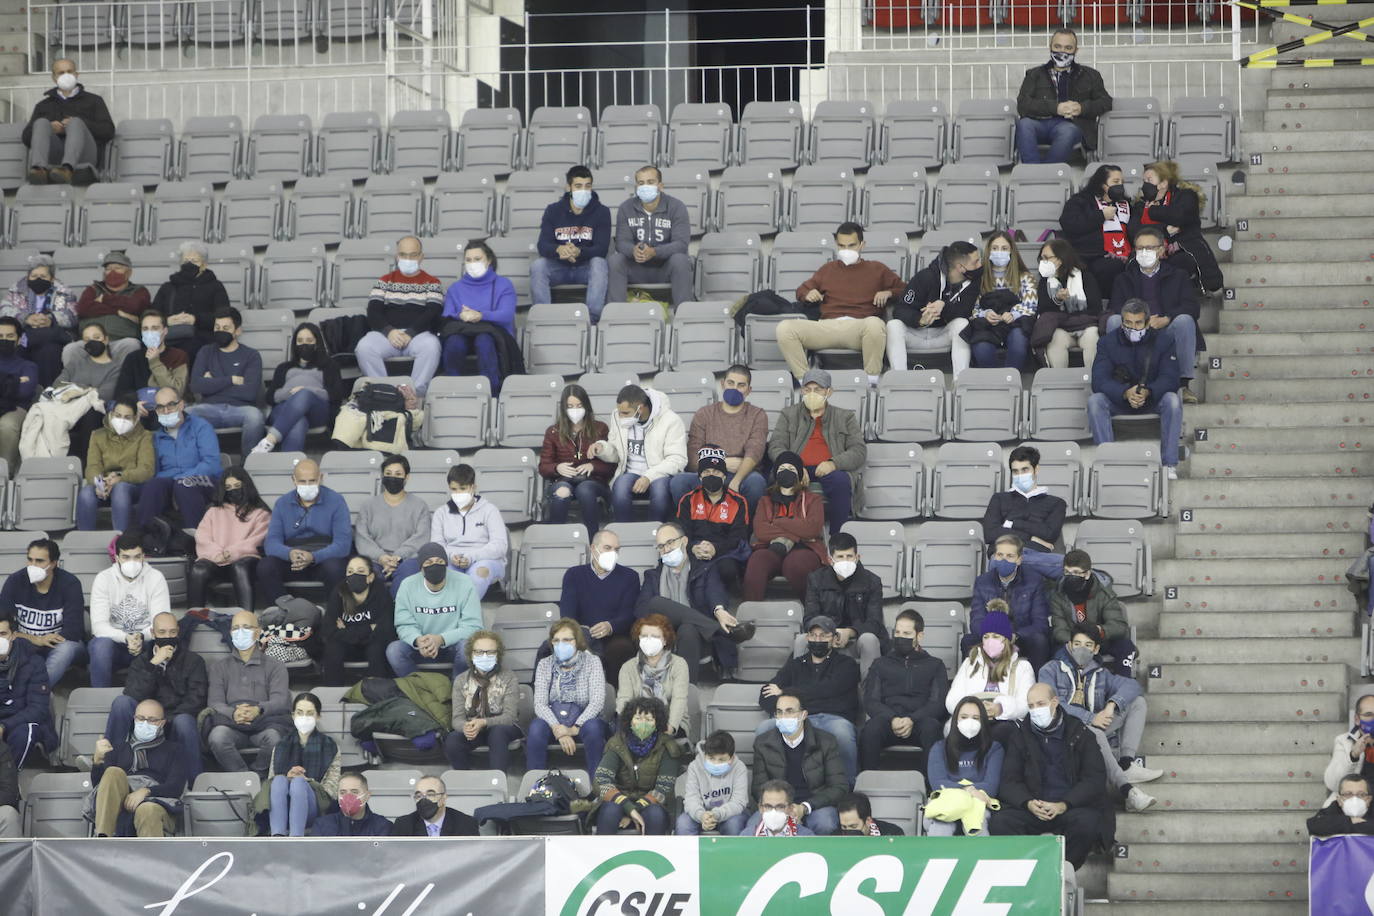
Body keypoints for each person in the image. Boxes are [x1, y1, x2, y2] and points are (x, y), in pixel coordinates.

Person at [1039, 623, 1160, 812]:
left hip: (1094, 727)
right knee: (1095, 732)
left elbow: (1133, 686)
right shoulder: (1050, 669)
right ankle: (1127, 790)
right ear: (1069, 645)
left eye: (1088, 645)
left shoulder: (1101, 673)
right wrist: (1089, 718)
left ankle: (1127, 762)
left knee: (1137, 702)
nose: (1081, 649)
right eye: (1077, 643)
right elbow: (1051, 703)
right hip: (1063, 731)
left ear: (1096, 649)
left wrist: (1112, 705)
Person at [989, 683, 1109, 870]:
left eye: (1040, 703)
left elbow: (1094, 779)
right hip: (1032, 808)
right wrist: (1027, 802)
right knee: (1001, 822)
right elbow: (1009, 780)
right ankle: (1024, 870)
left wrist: (1063, 805)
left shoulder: (1080, 733)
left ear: (1054, 702)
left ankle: (1063, 871)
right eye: (1031, 706)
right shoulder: (1020, 735)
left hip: (1068, 807)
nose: (1036, 710)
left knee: (1088, 823)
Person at [775, 222, 905, 386]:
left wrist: (889, 292)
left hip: (859, 328)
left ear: (862, 245)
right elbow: (801, 290)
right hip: (827, 326)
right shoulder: (828, 269)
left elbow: (906, 291)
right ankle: (806, 381)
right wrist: (809, 294)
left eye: (851, 245)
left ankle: (871, 381)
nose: (846, 250)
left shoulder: (877, 269)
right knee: (785, 328)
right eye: (842, 246)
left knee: (875, 324)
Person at [637, 521, 755, 682]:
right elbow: (641, 609)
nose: (666, 549)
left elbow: (715, 591)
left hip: (698, 634)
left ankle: (687, 689)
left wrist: (719, 610)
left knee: (688, 628)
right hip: (659, 633)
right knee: (656, 602)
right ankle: (722, 632)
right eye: (661, 546)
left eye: (670, 543)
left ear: (684, 541)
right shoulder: (653, 575)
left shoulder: (704, 568)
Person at [105, 611, 207, 784]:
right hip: (144, 722)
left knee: (185, 721)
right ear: (153, 633)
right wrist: (154, 664)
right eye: (162, 632)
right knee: (122, 703)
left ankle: (195, 784)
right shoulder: (142, 662)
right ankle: (109, 763)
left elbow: (197, 699)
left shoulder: (194, 661)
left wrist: (164, 720)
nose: (168, 637)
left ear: (178, 632)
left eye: (172, 632)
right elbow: (133, 694)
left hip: (174, 721)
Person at [758, 616, 861, 786]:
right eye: (813, 635)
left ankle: (848, 785)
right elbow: (766, 694)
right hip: (797, 717)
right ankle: (770, 788)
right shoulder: (795, 665)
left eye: (823, 635)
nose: (817, 640)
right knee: (764, 728)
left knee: (842, 732)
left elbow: (831, 688)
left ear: (834, 639)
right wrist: (786, 710)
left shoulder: (846, 664)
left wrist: (786, 693)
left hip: (833, 718)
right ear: (807, 638)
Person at [1107, 225, 1202, 404]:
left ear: (1161, 250)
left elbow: (1192, 307)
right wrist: (1139, 322)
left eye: (1149, 248)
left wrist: (1167, 318)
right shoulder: (1124, 278)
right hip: (1135, 328)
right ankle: (1123, 384)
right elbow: (1116, 307)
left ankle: (1183, 385)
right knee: (1113, 321)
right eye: (1140, 248)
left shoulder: (1178, 275)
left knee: (1184, 321)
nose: (1144, 252)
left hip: (1165, 329)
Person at [1089, 297, 1182, 479]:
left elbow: (1170, 378)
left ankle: (1169, 464)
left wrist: (1148, 391)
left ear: (1148, 322)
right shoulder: (1107, 342)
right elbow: (1099, 380)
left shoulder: (1164, 340)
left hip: (1152, 398)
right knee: (1095, 401)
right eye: (1128, 323)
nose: (1133, 327)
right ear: (1122, 322)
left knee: (1172, 400)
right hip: (1120, 399)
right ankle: (1107, 463)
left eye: (1138, 323)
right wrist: (1124, 392)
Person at [768, 368, 865, 536]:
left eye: (817, 389)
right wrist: (793, 467)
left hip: (828, 468)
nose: (811, 393)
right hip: (797, 467)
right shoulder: (788, 414)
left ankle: (837, 538)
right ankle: (782, 534)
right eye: (807, 389)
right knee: (783, 477)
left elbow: (859, 450)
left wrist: (834, 463)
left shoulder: (845, 416)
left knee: (840, 481)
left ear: (829, 392)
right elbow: (776, 446)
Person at [393, 462, 508, 599]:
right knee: (438, 575)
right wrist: (451, 556)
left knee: (479, 574)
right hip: (451, 560)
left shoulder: (489, 510)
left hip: (485, 560)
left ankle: (464, 615)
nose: (458, 493)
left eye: (463, 489)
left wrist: (472, 557)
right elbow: (437, 545)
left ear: (473, 487)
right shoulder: (441, 513)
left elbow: (500, 545)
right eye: (454, 489)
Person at [670, 365, 770, 511]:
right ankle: (693, 529)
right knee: (678, 482)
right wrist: (722, 464)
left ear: (749, 390)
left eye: (741, 385)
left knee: (756, 482)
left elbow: (755, 451)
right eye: (731, 383)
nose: (734, 388)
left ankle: (745, 532)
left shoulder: (757, 415)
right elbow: (692, 458)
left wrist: (736, 481)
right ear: (722, 384)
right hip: (707, 471)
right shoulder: (704, 414)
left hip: (741, 475)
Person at [860, 608, 947, 774]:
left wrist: (912, 719)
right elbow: (871, 701)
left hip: (920, 721)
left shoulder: (935, 665)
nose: (900, 638)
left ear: (919, 636)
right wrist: (892, 718)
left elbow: (937, 703)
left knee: (933, 729)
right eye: (897, 632)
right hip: (888, 720)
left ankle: (930, 789)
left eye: (907, 634)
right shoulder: (881, 664)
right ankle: (867, 782)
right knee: (871, 729)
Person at [204, 609, 290, 776]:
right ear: (230, 633)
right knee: (217, 737)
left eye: (246, 627)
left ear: (257, 632)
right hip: (231, 724)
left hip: (266, 723)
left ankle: (258, 775)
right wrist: (233, 713)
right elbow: (214, 702)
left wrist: (258, 709)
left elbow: (280, 700)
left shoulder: (276, 666)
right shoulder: (219, 667)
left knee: (275, 739)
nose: (240, 632)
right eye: (235, 628)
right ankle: (243, 777)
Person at [355, 236, 444, 396]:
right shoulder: (384, 281)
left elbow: (433, 312)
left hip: (417, 336)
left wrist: (410, 333)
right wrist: (389, 331)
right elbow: (373, 311)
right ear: (397, 256)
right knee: (364, 347)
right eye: (403, 254)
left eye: (413, 254)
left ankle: (415, 395)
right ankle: (383, 394)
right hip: (388, 336)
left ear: (421, 257)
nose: (408, 259)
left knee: (431, 347)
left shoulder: (432, 282)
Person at [748, 693, 847, 836]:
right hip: (776, 805)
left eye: (789, 711)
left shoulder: (826, 742)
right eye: (779, 712)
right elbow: (758, 787)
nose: (783, 716)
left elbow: (839, 787)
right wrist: (782, 808)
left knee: (825, 823)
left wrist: (805, 807)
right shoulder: (763, 743)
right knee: (752, 826)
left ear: (803, 714)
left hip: (815, 805)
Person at [257, 459, 352, 608]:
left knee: (336, 567)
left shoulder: (336, 501)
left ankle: (335, 615)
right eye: (302, 481)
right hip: (292, 560)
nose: (307, 485)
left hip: (323, 559)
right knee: (266, 566)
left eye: (312, 481)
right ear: (293, 480)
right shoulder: (282, 503)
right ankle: (283, 611)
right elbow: (271, 543)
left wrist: (313, 557)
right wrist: (290, 554)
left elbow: (343, 545)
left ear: (321, 478)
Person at [590, 384, 687, 523]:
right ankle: (625, 535)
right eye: (619, 412)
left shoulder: (671, 420)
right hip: (630, 472)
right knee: (620, 488)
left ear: (640, 408)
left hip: (659, 473)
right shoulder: (617, 415)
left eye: (625, 413)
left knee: (660, 492)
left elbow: (677, 459)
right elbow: (616, 452)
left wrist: (648, 477)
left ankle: (656, 534)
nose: (620, 417)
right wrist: (602, 448)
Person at [90, 699, 186, 837]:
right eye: (141, 718)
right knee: (113, 772)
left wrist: (146, 791)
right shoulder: (117, 748)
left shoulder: (174, 750)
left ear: (162, 723)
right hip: (121, 801)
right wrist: (98, 761)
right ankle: (103, 839)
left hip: (157, 803)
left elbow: (176, 787)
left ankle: (150, 858)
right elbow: (101, 788)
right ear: (134, 719)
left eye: (152, 720)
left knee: (147, 810)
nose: (145, 723)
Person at [1014, 28, 1111, 164]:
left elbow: (1106, 102)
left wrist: (1081, 108)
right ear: (1050, 47)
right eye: (1057, 46)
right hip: (1038, 123)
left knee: (1067, 131)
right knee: (1024, 125)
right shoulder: (1034, 74)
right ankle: (1032, 171)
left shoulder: (1090, 75)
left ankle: (1047, 174)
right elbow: (1023, 104)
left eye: (1068, 48)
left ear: (1076, 50)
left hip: (1071, 125)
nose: (1062, 51)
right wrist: (1056, 108)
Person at [527, 617, 612, 771]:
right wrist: (558, 730)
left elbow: (597, 702)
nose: (561, 644)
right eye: (556, 640)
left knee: (594, 729)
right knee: (536, 728)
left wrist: (574, 729)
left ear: (577, 641)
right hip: (554, 720)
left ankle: (598, 786)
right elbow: (540, 704)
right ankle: (535, 785)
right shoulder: (544, 664)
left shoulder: (592, 662)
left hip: (585, 720)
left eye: (567, 640)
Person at [388, 542, 482, 678]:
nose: (435, 565)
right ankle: (420, 688)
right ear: (421, 568)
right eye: (429, 562)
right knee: (394, 651)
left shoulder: (465, 582)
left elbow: (473, 626)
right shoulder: (407, 585)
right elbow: (404, 624)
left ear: (446, 565)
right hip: (421, 647)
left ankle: (456, 689)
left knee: (468, 647)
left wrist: (441, 639)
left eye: (440, 561)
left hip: (453, 645)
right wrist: (418, 640)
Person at [88, 532, 170, 688]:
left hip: (147, 642)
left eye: (137, 557)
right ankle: (99, 696)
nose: (132, 562)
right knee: (100, 646)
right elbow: (99, 627)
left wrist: (139, 636)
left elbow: (161, 622)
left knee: (165, 640)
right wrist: (126, 638)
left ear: (143, 556)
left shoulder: (156, 577)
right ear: (117, 558)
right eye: (126, 557)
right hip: (115, 643)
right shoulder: (103, 579)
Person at [889, 240, 982, 376]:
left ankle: (960, 380)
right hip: (916, 334)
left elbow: (964, 312)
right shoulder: (926, 277)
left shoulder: (974, 281)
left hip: (943, 334)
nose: (980, 265)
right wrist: (920, 319)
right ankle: (899, 379)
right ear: (960, 267)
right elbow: (900, 310)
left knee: (963, 324)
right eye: (976, 262)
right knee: (893, 325)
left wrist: (944, 306)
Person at [553, 529, 639, 676]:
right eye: (607, 548)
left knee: (621, 649)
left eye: (616, 550)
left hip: (615, 635)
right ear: (593, 548)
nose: (613, 553)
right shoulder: (574, 574)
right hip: (582, 633)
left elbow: (629, 613)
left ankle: (616, 695)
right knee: (549, 647)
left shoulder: (630, 577)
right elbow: (567, 613)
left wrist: (610, 626)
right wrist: (581, 632)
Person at [439, 240, 520, 395]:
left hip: (493, 335)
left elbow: (506, 314)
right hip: (463, 332)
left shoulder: (503, 284)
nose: (472, 263)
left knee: (484, 340)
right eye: (468, 260)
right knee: (453, 342)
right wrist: (462, 315)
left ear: (488, 260)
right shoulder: (456, 288)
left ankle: (492, 393)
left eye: (477, 259)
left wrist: (480, 315)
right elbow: (447, 315)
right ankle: (452, 392)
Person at [1131, 159, 1224, 294]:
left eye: (1149, 180)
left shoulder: (1185, 196)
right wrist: (1164, 231)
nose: (1144, 185)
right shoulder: (1140, 204)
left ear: (1163, 183)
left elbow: (1179, 216)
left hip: (1185, 249)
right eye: (1143, 180)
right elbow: (1134, 231)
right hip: (1151, 252)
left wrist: (1152, 211)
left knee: (1179, 263)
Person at [532, 165, 611, 322]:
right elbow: (542, 245)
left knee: (599, 263)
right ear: (568, 187)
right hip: (559, 267)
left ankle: (592, 319)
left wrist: (578, 252)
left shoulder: (601, 211)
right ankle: (542, 318)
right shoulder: (553, 210)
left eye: (587, 186)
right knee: (538, 266)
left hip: (585, 268)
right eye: (578, 186)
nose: (584, 190)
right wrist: (559, 249)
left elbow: (601, 249)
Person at [3, 538, 86, 687]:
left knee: (66, 649)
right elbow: (3, 624)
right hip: (24, 642)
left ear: (53, 563)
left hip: (58, 645)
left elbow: (74, 631)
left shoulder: (70, 584)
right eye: (30, 560)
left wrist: (45, 641)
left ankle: (37, 690)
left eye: (39, 561)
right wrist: (35, 639)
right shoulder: (15, 581)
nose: (32, 566)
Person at [593, 696, 681, 835]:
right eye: (638, 718)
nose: (643, 723)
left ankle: (653, 855)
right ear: (630, 721)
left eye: (649, 719)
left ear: (657, 723)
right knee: (610, 811)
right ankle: (603, 855)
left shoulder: (667, 746)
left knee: (655, 814)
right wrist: (629, 809)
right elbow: (601, 780)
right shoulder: (617, 743)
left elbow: (663, 789)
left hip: (652, 803)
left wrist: (633, 811)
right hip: (619, 799)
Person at [802, 533, 887, 676]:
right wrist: (828, 634)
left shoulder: (872, 582)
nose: (845, 561)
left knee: (869, 639)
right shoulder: (816, 580)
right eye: (840, 557)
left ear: (857, 557)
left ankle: (868, 691)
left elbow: (875, 623)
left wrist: (850, 631)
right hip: (825, 637)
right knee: (800, 640)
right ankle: (801, 690)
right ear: (830, 560)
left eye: (849, 556)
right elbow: (810, 618)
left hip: (858, 638)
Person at [744, 453, 827, 602]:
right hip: (772, 547)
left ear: (799, 474)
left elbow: (812, 529)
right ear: (776, 474)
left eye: (791, 468)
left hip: (805, 548)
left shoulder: (813, 500)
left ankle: (812, 608)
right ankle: (750, 613)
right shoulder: (765, 500)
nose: (786, 471)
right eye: (782, 468)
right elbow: (761, 531)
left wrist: (778, 522)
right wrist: (797, 532)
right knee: (757, 560)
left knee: (795, 564)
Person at [609, 165, 694, 307]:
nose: (645, 186)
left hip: (664, 268)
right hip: (636, 267)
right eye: (641, 183)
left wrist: (654, 252)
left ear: (660, 186)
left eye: (650, 182)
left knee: (681, 259)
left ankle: (684, 314)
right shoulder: (626, 207)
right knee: (616, 260)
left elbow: (681, 244)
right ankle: (615, 314)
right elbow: (621, 242)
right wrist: (633, 250)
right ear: (636, 186)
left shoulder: (677, 207)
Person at [135, 386, 220, 528]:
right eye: (160, 407)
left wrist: (181, 479)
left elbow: (211, 464)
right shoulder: (156, 437)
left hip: (204, 480)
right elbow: (154, 471)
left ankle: (195, 540)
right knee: (153, 486)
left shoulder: (200, 427)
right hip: (172, 482)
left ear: (181, 405)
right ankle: (146, 538)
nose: (166, 411)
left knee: (184, 485)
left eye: (171, 405)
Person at [947, 608, 1035, 744]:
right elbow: (952, 699)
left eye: (995, 636)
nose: (990, 641)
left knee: (1002, 732)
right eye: (986, 636)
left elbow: (1025, 704)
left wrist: (1000, 709)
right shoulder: (970, 662)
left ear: (1006, 639)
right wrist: (973, 712)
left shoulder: (1022, 667)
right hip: (971, 719)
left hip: (1004, 722)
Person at [186, 307, 266, 457]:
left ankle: (248, 464)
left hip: (241, 410)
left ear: (238, 331)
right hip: (209, 408)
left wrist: (212, 383)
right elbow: (196, 385)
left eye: (226, 328)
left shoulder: (251, 355)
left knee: (255, 416)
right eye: (217, 328)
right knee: (186, 413)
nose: (220, 331)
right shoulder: (205, 351)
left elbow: (249, 393)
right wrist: (231, 380)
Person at [189, 466, 271, 612]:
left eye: (237, 486)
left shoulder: (261, 513)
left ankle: (247, 619)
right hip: (216, 560)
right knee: (198, 569)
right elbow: (202, 537)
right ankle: (193, 619)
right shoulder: (213, 512)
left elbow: (257, 540)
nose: (233, 490)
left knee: (239, 567)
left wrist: (230, 553)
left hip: (246, 561)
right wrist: (217, 554)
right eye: (228, 487)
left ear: (246, 486)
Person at [252, 322, 344, 454]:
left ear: (317, 342)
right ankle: (289, 466)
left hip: (317, 411)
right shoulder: (283, 368)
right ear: (294, 344)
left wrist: (307, 391)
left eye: (309, 340)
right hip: (284, 410)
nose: (304, 344)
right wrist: (291, 394)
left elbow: (336, 395)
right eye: (299, 341)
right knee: (298, 421)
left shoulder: (330, 366)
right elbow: (270, 397)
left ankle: (270, 440)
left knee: (305, 394)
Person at [23, 57, 114, 186]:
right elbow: (26, 137)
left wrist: (81, 125)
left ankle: (67, 169)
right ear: (54, 77)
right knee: (41, 123)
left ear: (76, 75)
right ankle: (39, 170)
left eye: (69, 71)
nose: (66, 75)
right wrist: (50, 129)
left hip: (85, 154)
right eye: (61, 72)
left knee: (75, 122)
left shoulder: (94, 100)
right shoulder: (43, 105)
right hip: (54, 154)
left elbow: (108, 131)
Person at [982, 446, 1067, 581]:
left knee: (1070, 565)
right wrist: (1031, 537)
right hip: (1004, 555)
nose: (1020, 475)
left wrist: (1012, 524)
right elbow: (990, 534)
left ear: (1036, 469)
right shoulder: (999, 499)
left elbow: (1049, 534)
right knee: (1068, 566)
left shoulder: (1056, 503)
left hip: (1037, 556)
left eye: (1025, 470)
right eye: (1015, 471)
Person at [539, 382, 615, 533]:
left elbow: (612, 465)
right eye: (570, 406)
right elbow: (543, 467)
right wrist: (557, 468)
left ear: (586, 406)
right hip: (563, 480)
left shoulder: (600, 428)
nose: (575, 410)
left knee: (585, 489)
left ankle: (592, 539)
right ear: (564, 408)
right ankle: (555, 539)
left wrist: (593, 466)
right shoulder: (553, 432)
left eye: (579, 405)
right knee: (562, 491)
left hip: (593, 481)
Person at [675, 444, 752, 593]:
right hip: (696, 549)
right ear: (699, 476)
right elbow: (682, 533)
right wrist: (693, 548)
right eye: (707, 472)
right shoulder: (688, 500)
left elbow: (738, 537)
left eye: (716, 472)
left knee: (727, 569)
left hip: (724, 551)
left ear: (724, 476)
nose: (711, 475)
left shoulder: (738, 502)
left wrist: (715, 549)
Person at [262, 692, 340, 837]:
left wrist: (307, 782)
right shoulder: (280, 746)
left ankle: (296, 838)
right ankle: (277, 835)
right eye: (300, 712)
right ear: (293, 715)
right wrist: (287, 777)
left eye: (310, 713)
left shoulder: (330, 746)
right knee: (279, 780)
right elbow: (271, 782)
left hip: (316, 805)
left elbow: (331, 790)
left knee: (298, 783)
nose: (304, 717)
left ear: (318, 716)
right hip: (283, 804)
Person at [1049, 550, 1137, 677]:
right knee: (1057, 652)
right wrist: (1080, 642)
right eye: (1067, 572)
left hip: (1100, 641)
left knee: (1125, 645)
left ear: (1087, 574)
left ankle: (1122, 685)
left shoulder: (1103, 593)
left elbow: (1118, 626)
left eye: (1076, 573)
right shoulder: (1058, 595)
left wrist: (1098, 632)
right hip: (1072, 643)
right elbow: (1059, 631)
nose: (1070, 576)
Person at [968, 536, 1051, 671]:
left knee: (1040, 641)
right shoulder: (983, 581)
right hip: (992, 636)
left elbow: (1040, 623)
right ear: (994, 556)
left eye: (1010, 556)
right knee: (968, 641)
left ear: (1019, 559)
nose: (1004, 560)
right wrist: (993, 636)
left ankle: (1035, 687)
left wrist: (1014, 635)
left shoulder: (1034, 581)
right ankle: (974, 685)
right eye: (1000, 555)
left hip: (1020, 636)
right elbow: (976, 620)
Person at [925, 697, 1005, 836]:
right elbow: (938, 783)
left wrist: (964, 790)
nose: (970, 722)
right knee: (941, 825)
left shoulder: (994, 748)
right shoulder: (939, 748)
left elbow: (991, 786)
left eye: (976, 718)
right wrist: (969, 789)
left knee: (978, 823)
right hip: (946, 802)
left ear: (983, 722)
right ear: (956, 720)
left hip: (979, 802)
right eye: (964, 717)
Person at [444, 629, 522, 771]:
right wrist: (465, 727)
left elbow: (510, 717)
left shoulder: (509, 677)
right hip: (475, 728)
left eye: (490, 652)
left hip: (504, 728)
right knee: (453, 740)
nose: (485, 656)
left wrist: (484, 722)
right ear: (471, 654)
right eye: (479, 652)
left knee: (497, 734)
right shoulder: (461, 680)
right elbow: (457, 719)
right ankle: (466, 780)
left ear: (498, 655)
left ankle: (497, 780)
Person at [76, 394, 153, 531]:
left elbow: (146, 470)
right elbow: (93, 466)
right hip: (104, 483)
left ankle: (122, 541)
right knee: (87, 492)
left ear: (135, 419)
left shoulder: (144, 436)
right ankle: (84, 539)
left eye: (127, 417)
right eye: (118, 415)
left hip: (132, 486)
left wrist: (120, 477)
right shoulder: (97, 435)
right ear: (111, 415)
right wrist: (100, 483)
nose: (121, 420)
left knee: (121, 489)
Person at [355, 454, 430, 593]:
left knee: (407, 577)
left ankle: (396, 610)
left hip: (408, 559)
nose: (393, 477)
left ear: (407, 477)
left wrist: (397, 557)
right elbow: (362, 538)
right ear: (382, 476)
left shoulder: (420, 506)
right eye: (388, 473)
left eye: (398, 474)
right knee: (367, 576)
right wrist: (381, 557)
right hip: (375, 560)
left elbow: (421, 537)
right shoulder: (368, 506)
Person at [963, 232, 1037, 372]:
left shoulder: (1025, 277)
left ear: (1011, 251)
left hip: (1015, 323)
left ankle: (1011, 382)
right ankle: (994, 385)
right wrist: (985, 314)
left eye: (1004, 248)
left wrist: (1013, 314)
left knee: (1019, 345)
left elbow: (1031, 305)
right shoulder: (978, 278)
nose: (999, 252)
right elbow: (971, 307)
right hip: (987, 324)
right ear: (989, 251)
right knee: (981, 351)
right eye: (995, 248)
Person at [3, 254, 78, 386]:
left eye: (43, 277)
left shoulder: (64, 291)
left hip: (54, 333)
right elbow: (4, 309)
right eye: (34, 276)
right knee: (45, 348)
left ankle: (46, 393)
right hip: (26, 330)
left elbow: (73, 316)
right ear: (28, 277)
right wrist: (26, 318)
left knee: (49, 346)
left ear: (52, 278)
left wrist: (51, 319)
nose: (38, 279)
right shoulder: (16, 290)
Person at [55, 322, 125, 463]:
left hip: (94, 412)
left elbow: (104, 394)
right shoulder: (75, 363)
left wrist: (74, 389)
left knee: (91, 414)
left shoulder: (116, 368)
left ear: (105, 339)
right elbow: (57, 385)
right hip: (66, 409)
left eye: (96, 337)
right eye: (87, 339)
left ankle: (88, 466)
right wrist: (89, 388)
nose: (92, 341)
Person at [321, 555, 396, 686]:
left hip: (372, 645)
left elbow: (386, 630)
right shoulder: (339, 592)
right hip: (348, 645)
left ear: (370, 577)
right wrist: (369, 629)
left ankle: (376, 693)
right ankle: (332, 692)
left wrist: (347, 631)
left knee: (377, 648)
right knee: (333, 648)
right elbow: (329, 630)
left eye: (360, 571)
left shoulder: (380, 592)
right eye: (350, 572)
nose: (354, 575)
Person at [152, 241, 230, 363]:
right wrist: (166, 321)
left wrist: (195, 320)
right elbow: (151, 314)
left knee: (191, 349)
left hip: (203, 338)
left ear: (204, 265)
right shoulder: (168, 287)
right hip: (171, 337)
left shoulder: (216, 286)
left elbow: (224, 316)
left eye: (194, 261)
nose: (189, 264)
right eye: (186, 261)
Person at [1060, 164, 1132, 294]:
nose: (1120, 185)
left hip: (1121, 255)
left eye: (1122, 182)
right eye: (1116, 182)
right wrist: (1101, 216)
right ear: (1103, 184)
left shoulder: (1126, 204)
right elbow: (1070, 224)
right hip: (1088, 255)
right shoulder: (1081, 201)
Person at [0, 607, 59, 767]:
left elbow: (37, 710)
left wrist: (4, 726)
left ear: (13, 635)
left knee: (25, 732)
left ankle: (9, 780)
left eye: (2, 634)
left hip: (21, 723)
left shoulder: (34, 662)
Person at [1031, 238, 1102, 369]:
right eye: (1041, 258)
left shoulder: (1085, 277)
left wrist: (1072, 318)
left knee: (1093, 336)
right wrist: (1057, 299)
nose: (1043, 262)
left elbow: (1096, 308)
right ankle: (1058, 383)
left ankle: (1093, 381)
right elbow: (1044, 312)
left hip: (1086, 326)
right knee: (1055, 338)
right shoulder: (1044, 282)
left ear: (1061, 258)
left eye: (1047, 258)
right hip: (1062, 329)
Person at [616, 614, 690, 737]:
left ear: (665, 640)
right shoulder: (628, 667)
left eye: (655, 636)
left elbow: (679, 699)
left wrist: (670, 726)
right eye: (644, 636)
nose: (649, 640)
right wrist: (634, 725)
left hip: (670, 721)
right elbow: (624, 700)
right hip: (636, 721)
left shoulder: (679, 664)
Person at [677, 730, 750, 836]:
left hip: (730, 813)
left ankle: (732, 853)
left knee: (734, 824)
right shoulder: (694, 766)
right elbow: (691, 799)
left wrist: (716, 814)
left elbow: (738, 802)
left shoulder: (739, 768)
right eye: (711, 758)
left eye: (721, 760)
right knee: (683, 823)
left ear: (732, 758)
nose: (715, 763)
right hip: (701, 813)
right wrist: (701, 815)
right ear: (705, 754)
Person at [113, 309, 189, 408]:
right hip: (139, 409)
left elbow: (177, 391)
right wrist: (134, 404)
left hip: (167, 409)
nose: (150, 333)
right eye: (145, 329)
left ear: (165, 331)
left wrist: (155, 362)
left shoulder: (178, 356)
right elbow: (122, 391)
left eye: (155, 328)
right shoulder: (133, 357)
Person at [75, 250, 150, 346]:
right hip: (90, 341)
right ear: (104, 273)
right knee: (70, 350)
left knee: (132, 345)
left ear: (129, 272)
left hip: (124, 340)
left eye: (117, 268)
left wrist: (105, 299)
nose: (112, 272)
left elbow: (135, 306)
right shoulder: (93, 289)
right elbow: (82, 309)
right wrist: (118, 312)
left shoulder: (139, 291)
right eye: (108, 269)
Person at [0, 316, 38, 471]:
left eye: (10, 336)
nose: (4, 340)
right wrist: (14, 381)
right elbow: (17, 388)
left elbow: (24, 392)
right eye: (0, 336)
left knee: (7, 426)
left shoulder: (28, 366)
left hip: (16, 409)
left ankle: (4, 475)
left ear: (19, 339)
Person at [389, 774, 479, 836]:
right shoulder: (404, 825)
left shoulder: (466, 824)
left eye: (431, 794)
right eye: (419, 795)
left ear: (443, 798)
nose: (424, 800)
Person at [1325, 694, 1374, 803]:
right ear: (1357, 719)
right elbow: (1333, 784)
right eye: (1369, 714)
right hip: (1351, 806)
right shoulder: (1344, 741)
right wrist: (1353, 756)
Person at [312, 772, 393, 836]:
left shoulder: (382, 826)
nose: (348, 796)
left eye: (354, 792)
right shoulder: (322, 825)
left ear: (367, 796)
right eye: (343, 792)